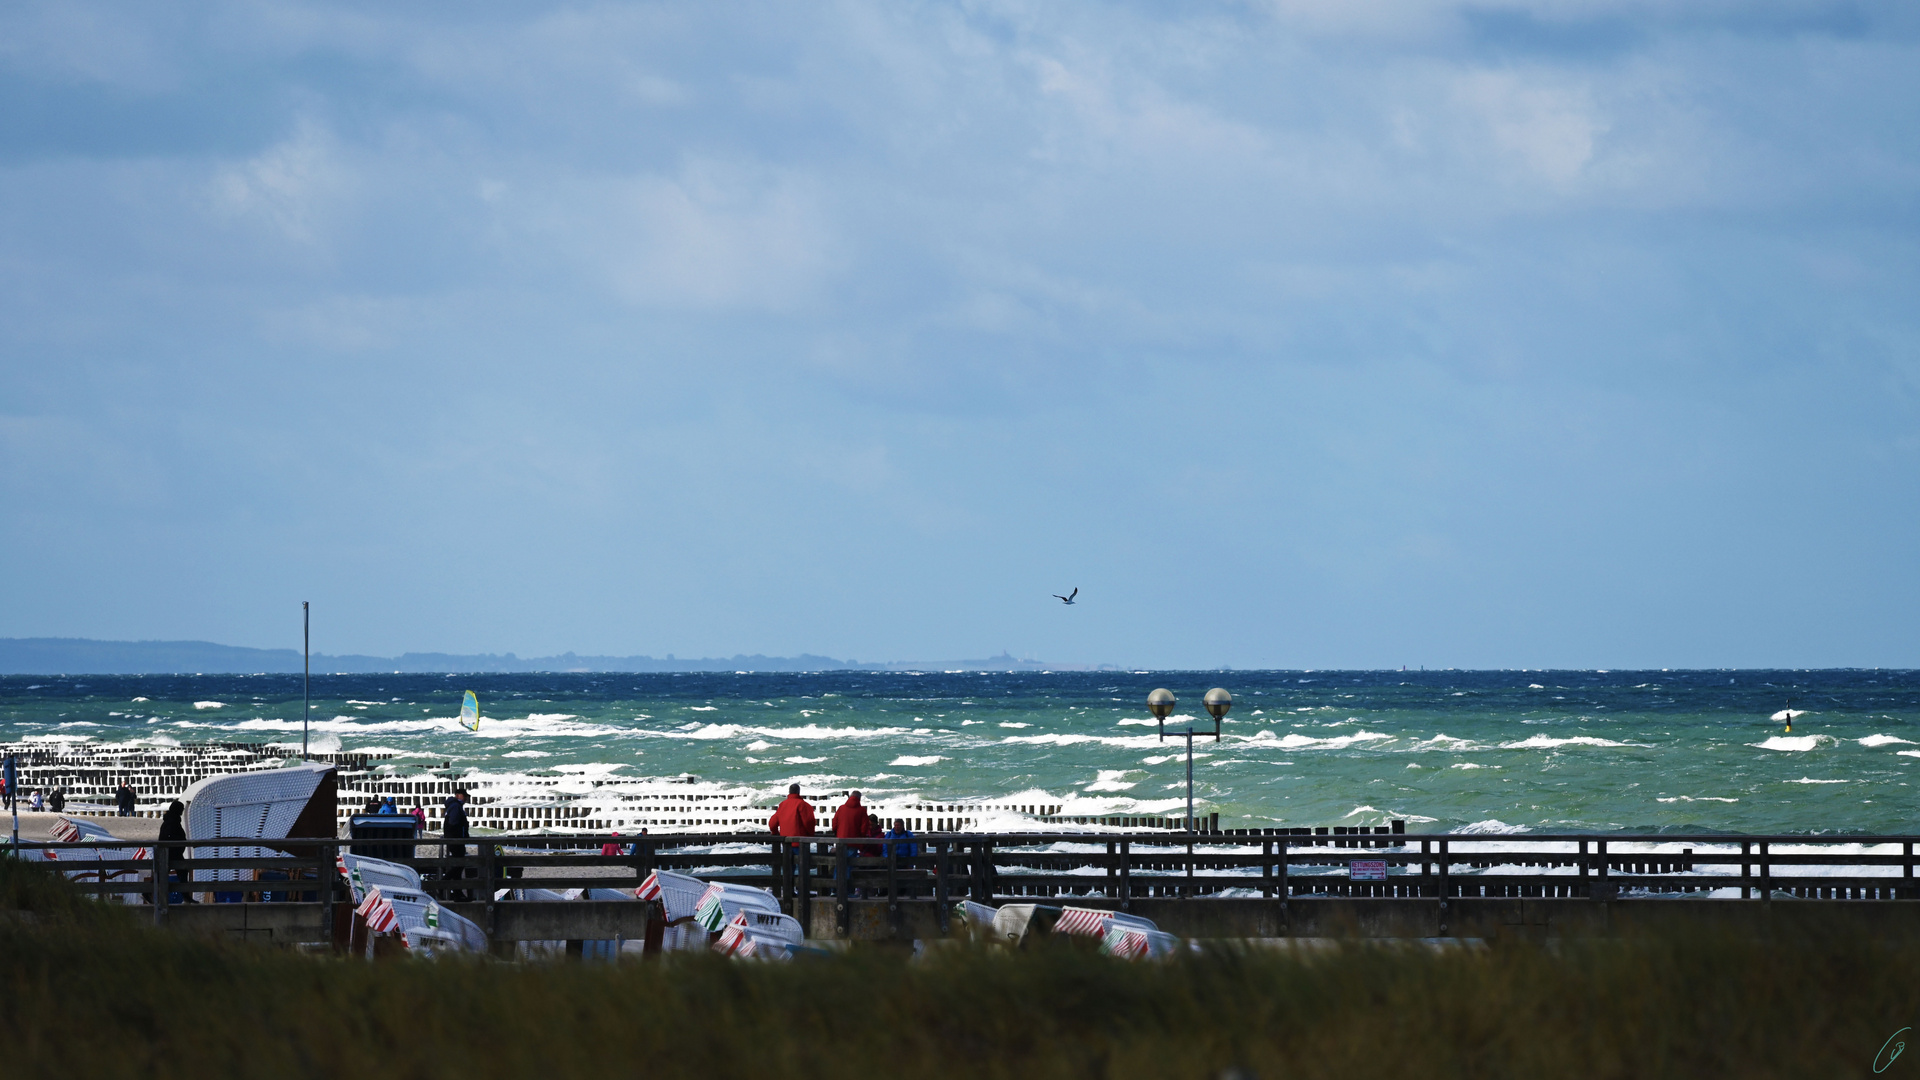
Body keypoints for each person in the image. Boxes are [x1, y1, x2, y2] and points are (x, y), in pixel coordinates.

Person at [158, 800, 188, 905]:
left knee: (163, 873)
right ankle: (186, 896)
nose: (182, 811)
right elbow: (169, 836)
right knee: (181, 872)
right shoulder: (172, 821)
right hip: (172, 852)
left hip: (171, 852)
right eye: (181, 809)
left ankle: (186, 895)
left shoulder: (171, 819)